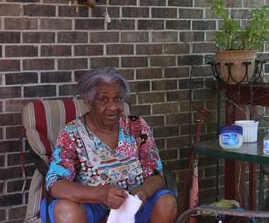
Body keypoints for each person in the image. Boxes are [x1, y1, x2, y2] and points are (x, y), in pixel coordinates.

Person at [40, 68, 177, 223]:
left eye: (117, 99)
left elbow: (156, 175)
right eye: (103, 100)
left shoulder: (137, 126)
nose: (112, 107)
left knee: (166, 201)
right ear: (88, 102)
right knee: (65, 210)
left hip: (134, 204)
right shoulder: (72, 133)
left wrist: (142, 193)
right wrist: (100, 194)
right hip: (91, 204)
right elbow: (55, 184)